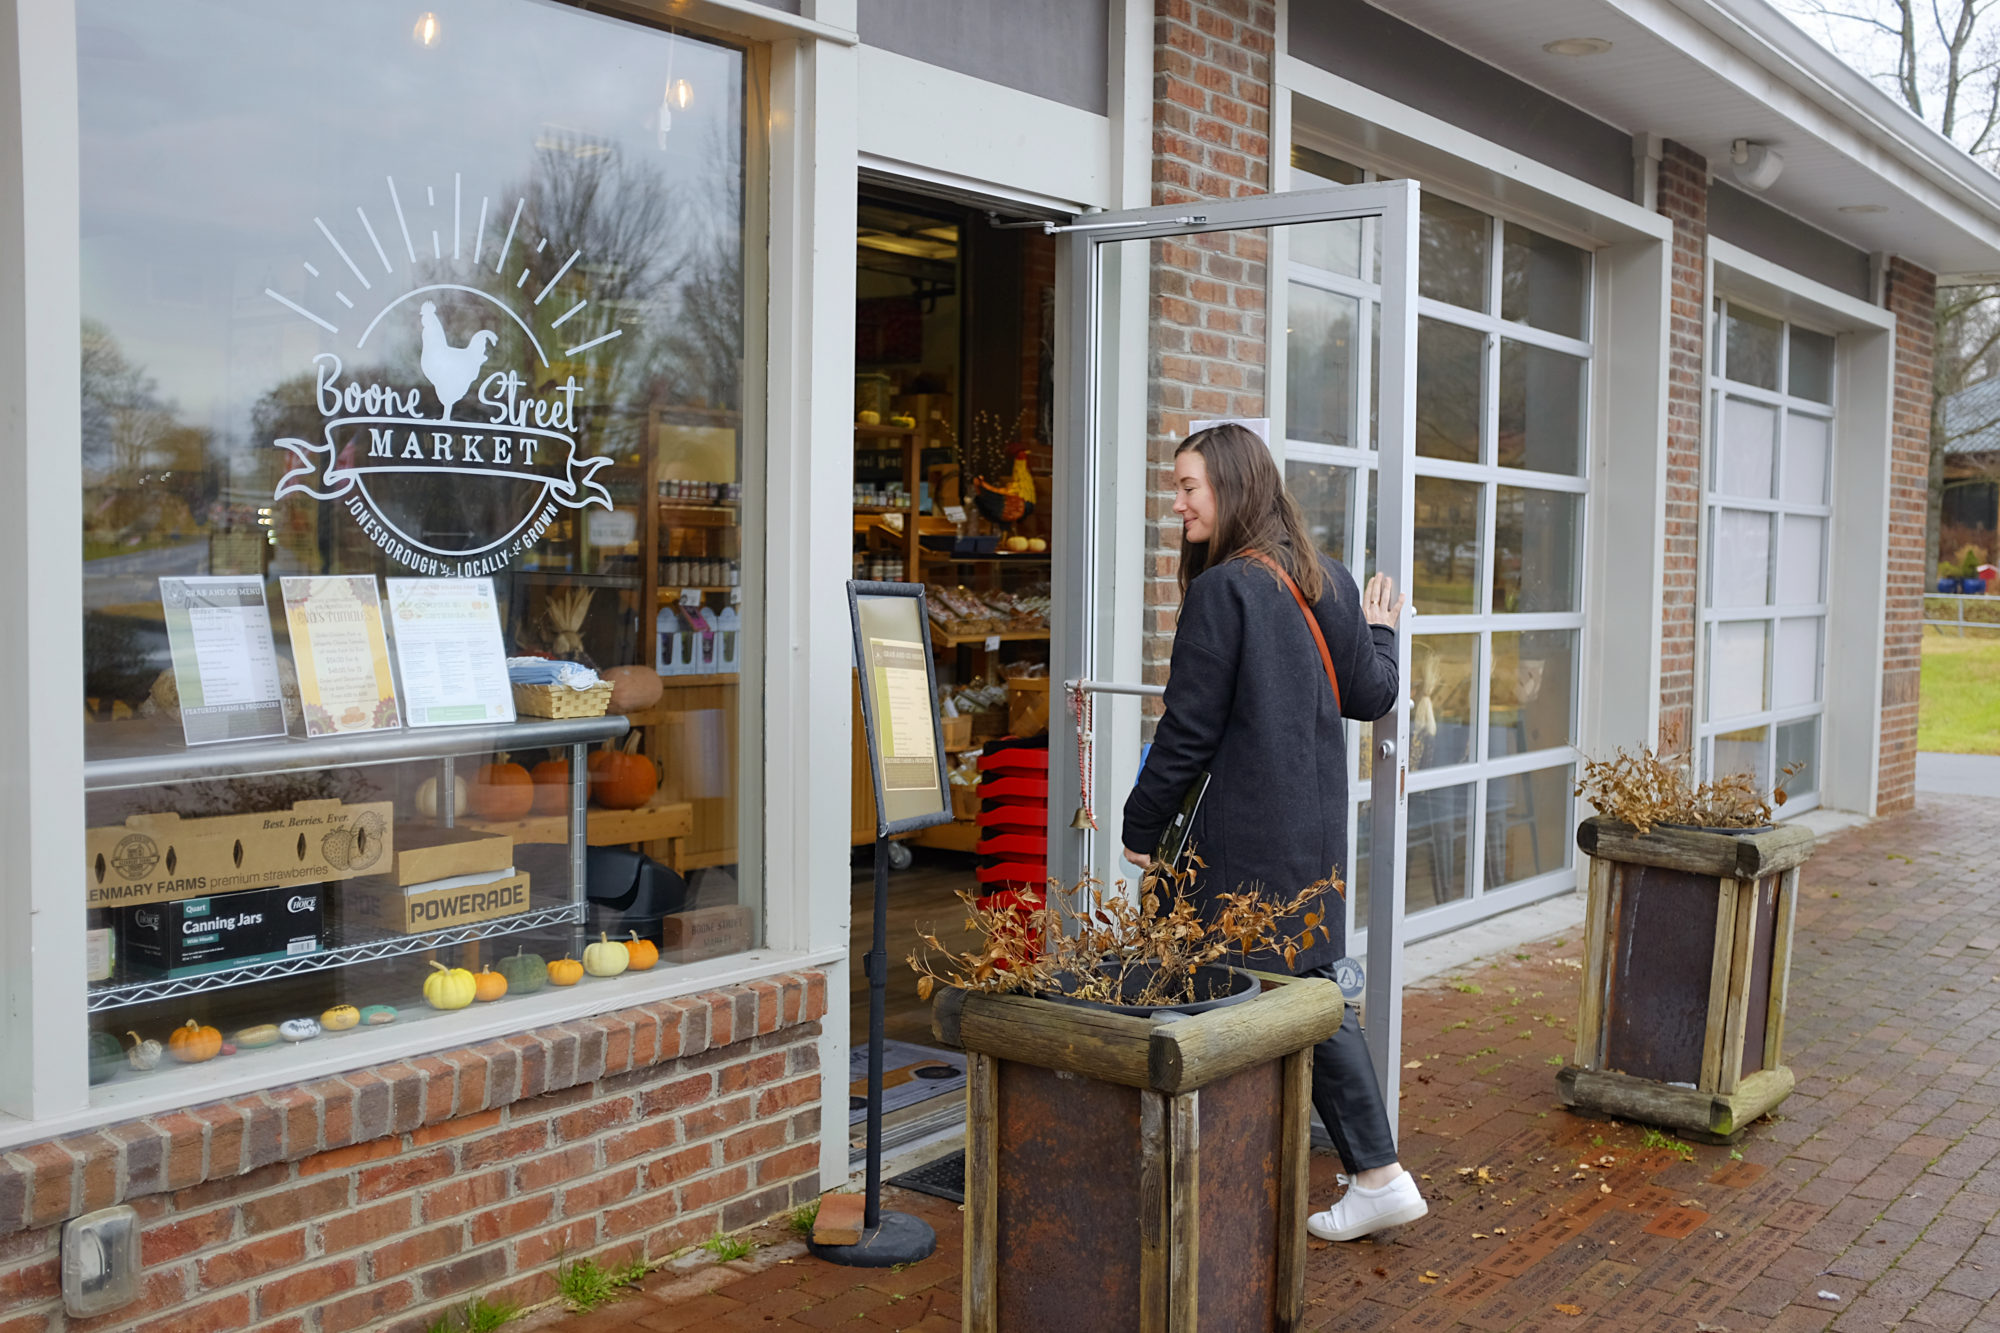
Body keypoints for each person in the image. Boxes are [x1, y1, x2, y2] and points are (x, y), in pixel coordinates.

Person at [1121, 422, 1427, 1243]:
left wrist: (1140, 822)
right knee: (1313, 994)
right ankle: (1377, 1173)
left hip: (1243, 843)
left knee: (1220, 1000)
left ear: (1232, 486)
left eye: (1189, 487)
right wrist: (1381, 629)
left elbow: (1187, 732)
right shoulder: (1320, 574)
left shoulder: (1224, 591)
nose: (1177, 502)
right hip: (1312, 838)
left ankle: (1217, 1191)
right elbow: (1372, 692)